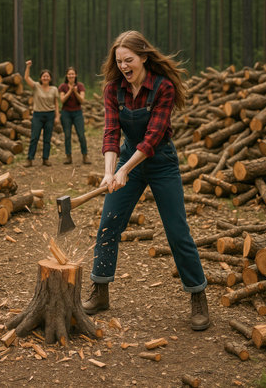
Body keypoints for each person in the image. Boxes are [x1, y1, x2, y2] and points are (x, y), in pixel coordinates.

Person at [82, 30, 210, 331]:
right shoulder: (114, 89)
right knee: (108, 223)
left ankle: (198, 296)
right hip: (128, 158)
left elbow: (153, 137)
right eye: (119, 61)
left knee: (178, 232)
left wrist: (125, 170)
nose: (124, 66)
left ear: (143, 57)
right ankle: (100, 292)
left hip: (161, 161)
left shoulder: (162, 87)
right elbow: (111, 133)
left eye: (129, 60)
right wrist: (109, 171)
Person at [24, 60, 59, 167]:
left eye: (47, 76)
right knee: (34, 137)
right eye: (44, 76)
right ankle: (30, 159)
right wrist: (28, 67)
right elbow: (26, 78)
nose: (45, 78)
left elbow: (56, 103)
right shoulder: (36, 86)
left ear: (50, 78)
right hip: (37, 115)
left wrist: (57, 116)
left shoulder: (54, 89)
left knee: (47, 138)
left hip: (50, 115)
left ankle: (46, 159)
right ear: (40, 78)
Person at [58, 67, 91, 165]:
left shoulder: (80, 86)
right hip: (65, 113)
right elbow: (62, 100)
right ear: (66, 76)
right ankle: (68, 157)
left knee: (81, 135)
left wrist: (75, 91)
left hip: (77, 113)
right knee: (67, 135)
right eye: (69, 74)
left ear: (76, 75)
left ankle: (85, 156)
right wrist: (70, 90)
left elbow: (82, 100)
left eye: (73, 74)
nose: (71, 76)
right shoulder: (62, 86)